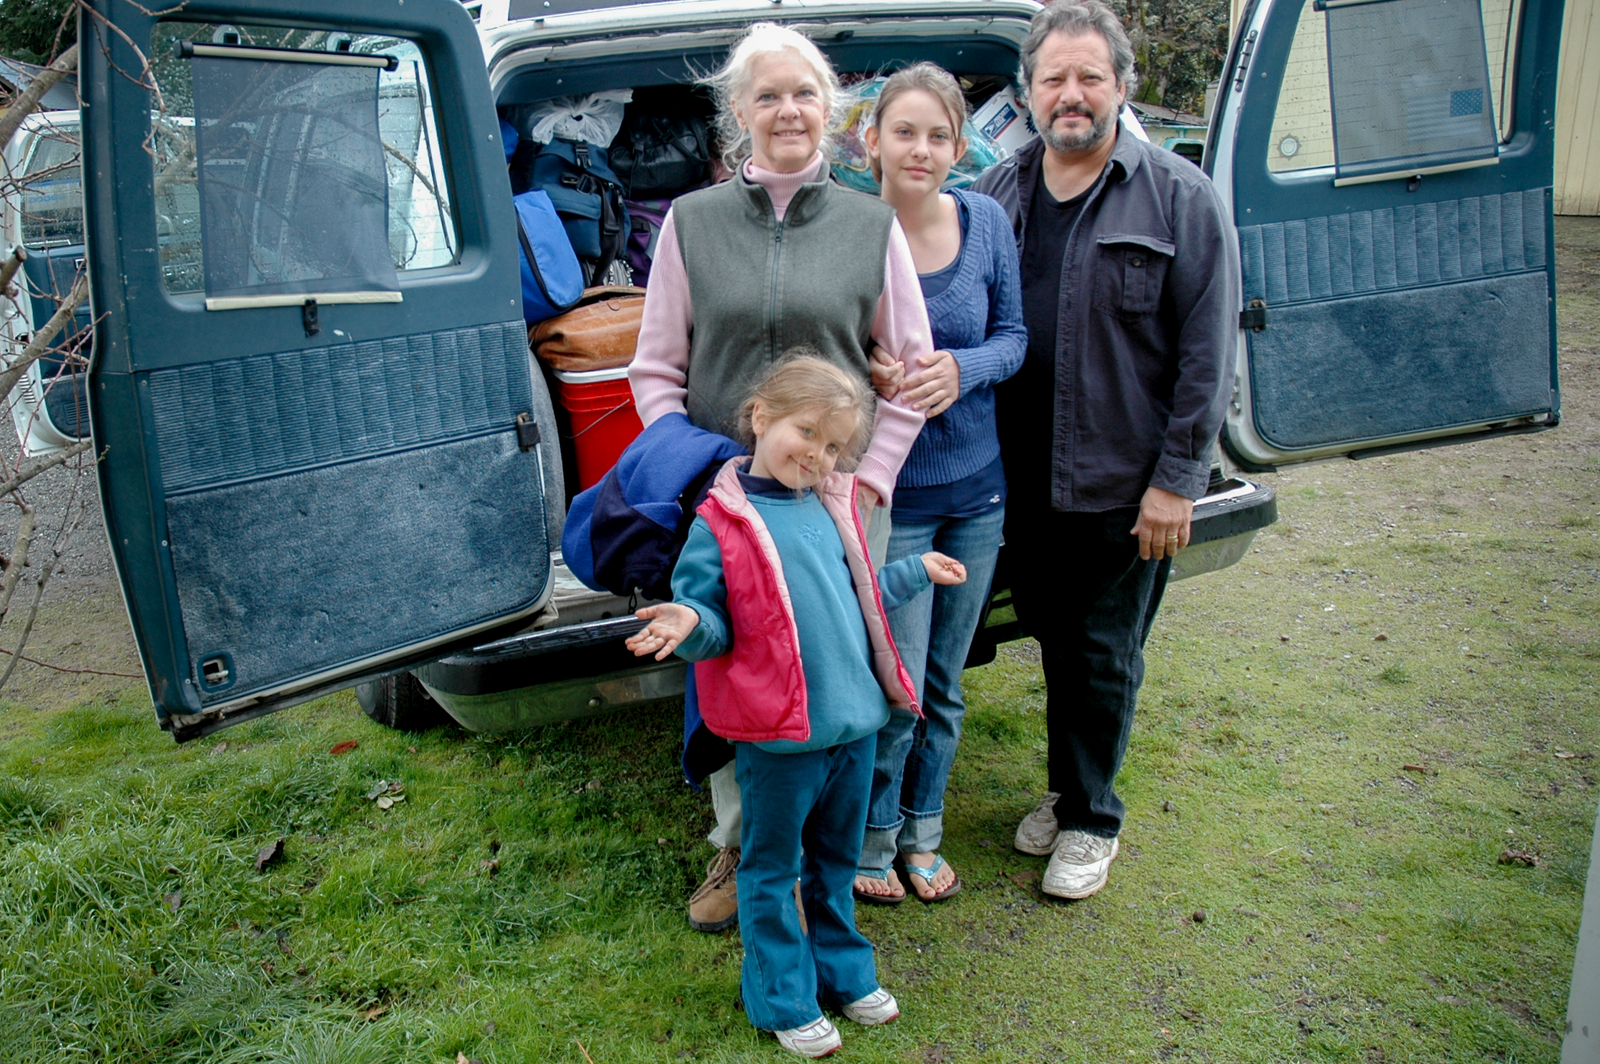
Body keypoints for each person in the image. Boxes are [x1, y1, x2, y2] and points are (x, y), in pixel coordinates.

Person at [627, 22, 934, 933]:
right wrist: (694, 466)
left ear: (828, 108)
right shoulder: (692, 222)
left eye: (804, 93)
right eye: (768, 94)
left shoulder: (871, 226)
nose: (788, 110)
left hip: (839, 502)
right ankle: (741, 844)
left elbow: (913, 371)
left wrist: (870, 479)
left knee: (839, 669)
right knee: (730, 664)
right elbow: (655, 369)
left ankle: (825, 851)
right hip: (729, 502)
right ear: (739, 111)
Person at [971, 0, 1238, 900]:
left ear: (1123, 86)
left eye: (1090, 76)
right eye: (1054, 78)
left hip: (1123, 485)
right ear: (1027, 92)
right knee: (1055, 641)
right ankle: (1067, 789)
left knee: (1102, 652)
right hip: (1018, 479)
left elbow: (1207, 353)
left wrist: (1177, 482)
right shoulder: (996, 194)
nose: (1071, 94)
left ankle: (1092, 821)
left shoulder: (1179, 198)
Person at [627, 355, 966, 1058]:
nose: (817, 454)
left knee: (836, 863)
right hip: (779, 739)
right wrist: (689, 622)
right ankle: (782, 998)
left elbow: (858, 597)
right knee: (773, 871)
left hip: (854, 728)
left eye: (834, 445)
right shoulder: (720, 523)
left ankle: (844, 975)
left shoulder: (830, 505)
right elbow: (714, 624)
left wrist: (915, 571)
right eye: (806, 431)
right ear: (760, 416)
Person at [850, 64, 1026, 905]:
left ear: (960, 148)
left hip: (978, 493)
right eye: (905, 132)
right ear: (872, 141)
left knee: (946, 684)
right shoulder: (852, 231)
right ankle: (872, 840)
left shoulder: (985, 221)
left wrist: (965, 368)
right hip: (898, 498)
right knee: (898, 685)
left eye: (938, 136)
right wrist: (864, 368)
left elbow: (1015, 337)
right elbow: (820, 349)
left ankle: (924, 833)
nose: (920, 150)